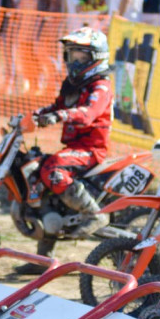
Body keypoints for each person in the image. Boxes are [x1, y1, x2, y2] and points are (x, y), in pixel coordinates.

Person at [20, 27, 113, 273]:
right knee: (38, 174)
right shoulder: (72, 85)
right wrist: (33, 116)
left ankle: (94, 214)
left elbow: (88, 113)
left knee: (52, 168)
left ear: (96, 58)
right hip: (73, 148)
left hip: (91, 150)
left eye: (81, 56)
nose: (75, 61)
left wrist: (60, 116)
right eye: (72, 55)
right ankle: (43, 260)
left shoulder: (101, 87)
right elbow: (56, 107)